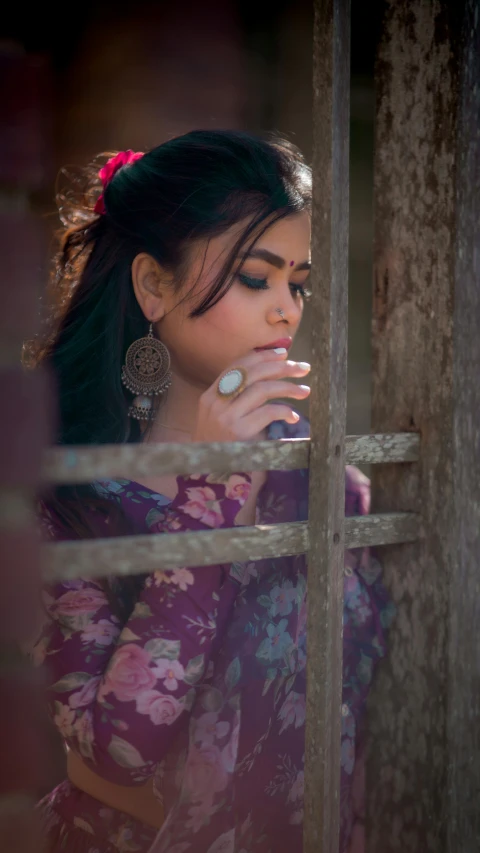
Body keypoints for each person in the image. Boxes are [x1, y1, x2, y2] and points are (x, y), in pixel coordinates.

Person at [27, 131, 392, 853]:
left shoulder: (325, 485)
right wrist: (214, 488)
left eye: (299, 282)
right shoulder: (67, 501)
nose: (287, 309)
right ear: (152, 286)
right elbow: (115, 750)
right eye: (257, 279)